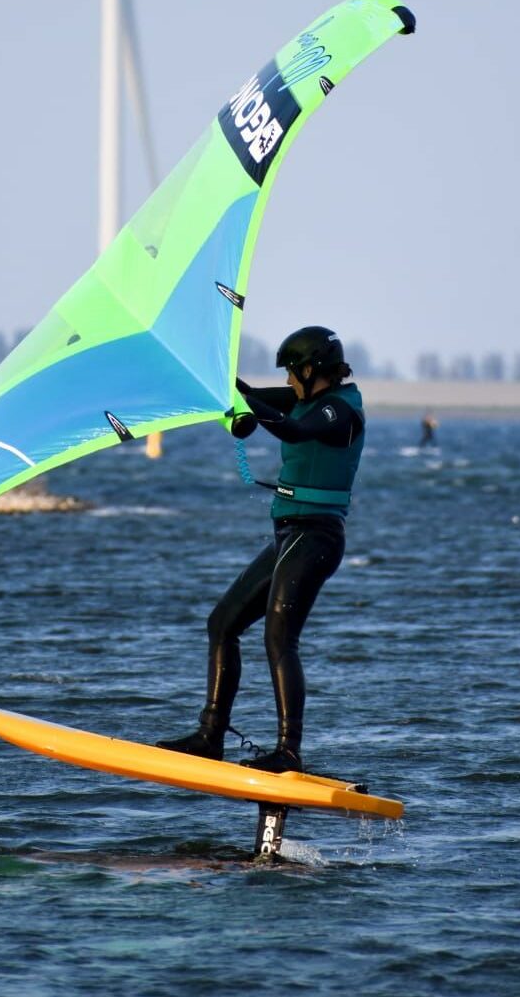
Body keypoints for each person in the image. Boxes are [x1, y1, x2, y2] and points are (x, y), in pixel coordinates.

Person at [157, 326, 365, 773]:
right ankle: (209, 737)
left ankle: (289, 751)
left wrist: (255, 413)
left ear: (312, 370)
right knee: (222, 623)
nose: (288, 380)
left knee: (279, 637)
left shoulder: (339, 411)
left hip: (317, 536)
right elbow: (250, 396)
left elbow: (294, 428)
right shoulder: (305, 397)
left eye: (292, 371)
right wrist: (209, 374)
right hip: (289, 535)